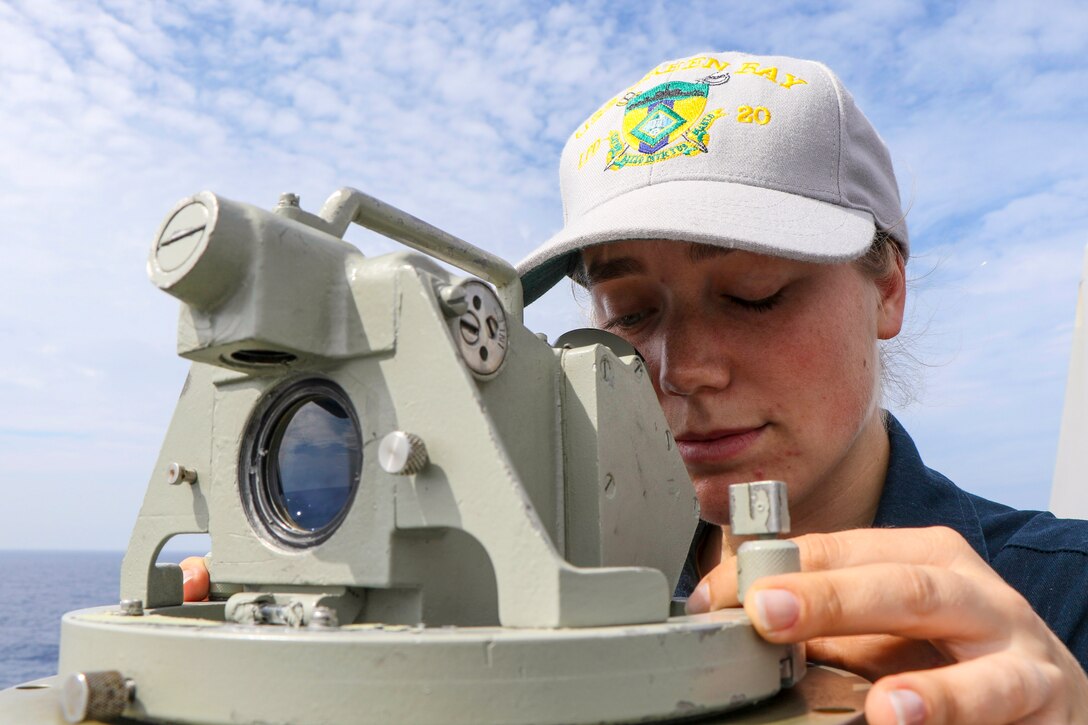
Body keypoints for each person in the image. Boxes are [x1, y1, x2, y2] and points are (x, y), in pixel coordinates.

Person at [181, 51, 1088, 724]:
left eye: (753, 294)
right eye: (627, 310)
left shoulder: (1064, 605)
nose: (683, 367)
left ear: (886, 285)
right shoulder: (516, 589)